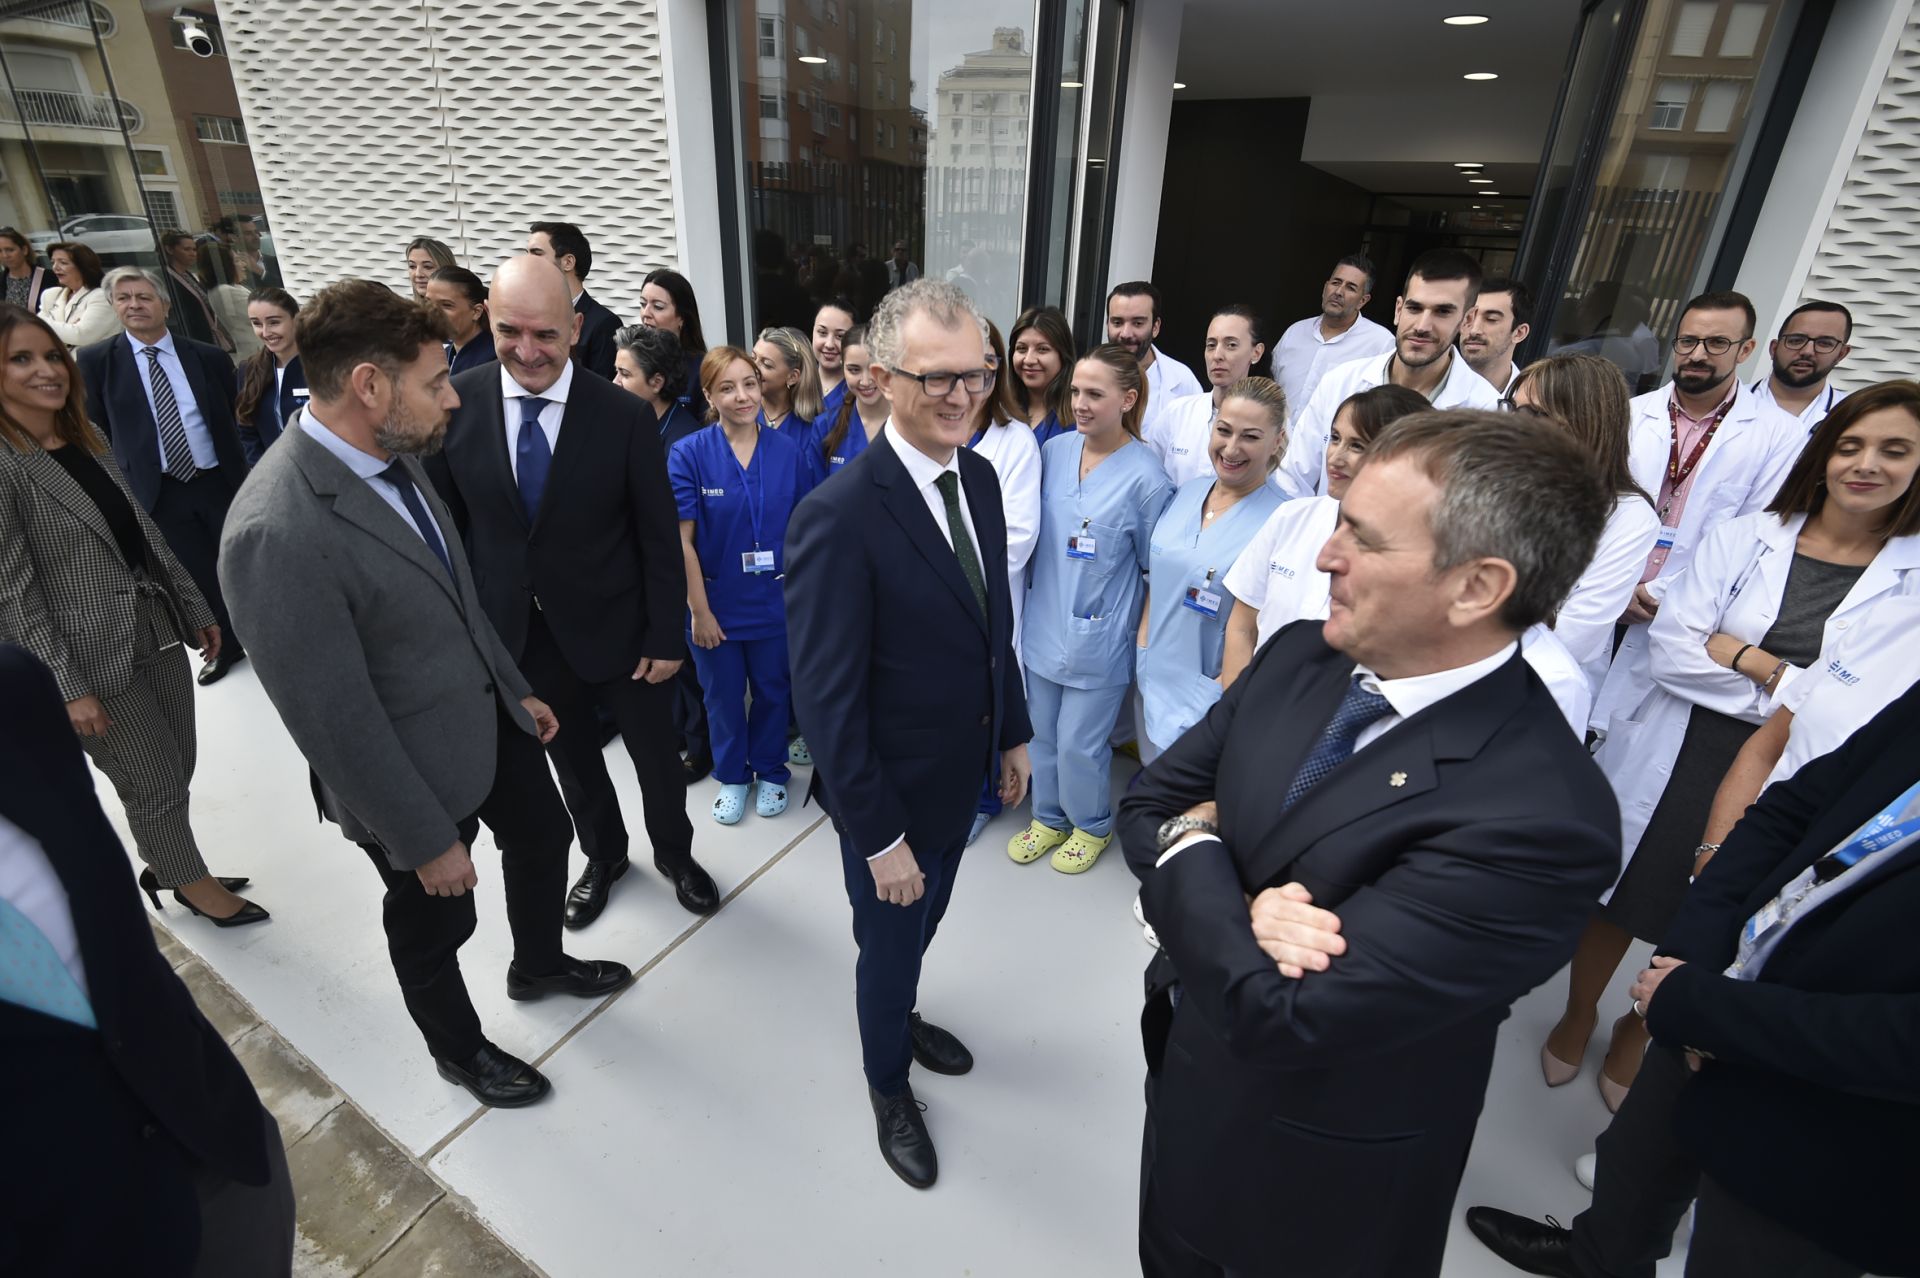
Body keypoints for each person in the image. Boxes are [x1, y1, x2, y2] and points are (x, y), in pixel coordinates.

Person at [1122, 409, 1619, 1278]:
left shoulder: (1543, 821)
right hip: (1187, 1089)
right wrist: (1241, 910)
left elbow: (1283, 1014)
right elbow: (1147, 801)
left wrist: (1198, 853)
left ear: (1476, 587)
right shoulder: (1298, 660)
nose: (1323, 556)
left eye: (1361, 535)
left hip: (1312, 1190)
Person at [221, 279, 632, 1107]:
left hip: (487, 717)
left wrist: (515, 691)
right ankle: (459, 1051)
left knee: (547, 834)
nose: (455, 396)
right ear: (370, 386)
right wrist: (421, 838)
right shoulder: (277, 529)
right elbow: (330, 716)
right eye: (437, 381)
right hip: (404, 772)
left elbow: (456, 596)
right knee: (435, 920)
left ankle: (540, 963)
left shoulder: (398, 456)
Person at [1466, 673, 1920, 1278]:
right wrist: (1695, 956)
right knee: (1635, 1168)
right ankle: (1596, 1258)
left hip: (1836, 1112)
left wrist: (1714, 1013)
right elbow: (1792, 807)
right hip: (1715, 988)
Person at [1549, 381, 1920, 1109]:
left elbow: (1867, 705)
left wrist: (1743, 654)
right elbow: (1674, 651)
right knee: (1622, 895)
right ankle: (1577, 1011)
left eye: (1894, 450)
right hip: (1682, 743)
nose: (1865, 464)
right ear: (1823, 454)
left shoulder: (1911, 580)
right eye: (1849, 445)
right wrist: (1786, 678)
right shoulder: (1745, 536)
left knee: (1705, 915)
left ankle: (1637, 1029)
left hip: (1797, 773)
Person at [784, 278, 1032, 1190]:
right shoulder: (837, 517)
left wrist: (1011, 733)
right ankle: (888, 1083)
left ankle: (901, 1015)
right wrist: (878, 834)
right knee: (888, 946)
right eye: (939, 379)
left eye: (977, 372)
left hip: (962, 773)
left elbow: (989, 619)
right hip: (888, 799)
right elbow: (828, 702)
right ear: (882, 378)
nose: (964, 394)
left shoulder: (978, 474)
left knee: (924, 928)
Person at [425, 254, 716, 930]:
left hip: (624, 634)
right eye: (509, 331)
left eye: (545, 334)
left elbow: (656, 536)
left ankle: (676, 854)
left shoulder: (621, 415)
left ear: (576, 326)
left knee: (657, 765)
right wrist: (481, 648)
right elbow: (453, 539)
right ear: (486, 323)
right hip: (521, 641)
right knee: (575, 765)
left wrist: (665, 637)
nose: (526, 351)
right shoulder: (453, 405)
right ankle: (606, 856)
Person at [0, 644, 292, 1277]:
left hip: (215, 1144)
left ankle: (173, 871)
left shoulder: (12, 693)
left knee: (164, 774)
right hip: (61, 1245)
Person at [0, 304, 257, 924]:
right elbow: (12, 593)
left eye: (53, 355)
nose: (47, 370)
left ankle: (169, 861)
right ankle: (191, 886)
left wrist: (192, 603)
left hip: (152, 626)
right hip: (85, 657)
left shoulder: (84, 436)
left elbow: (142, 529)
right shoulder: (6, 464)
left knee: (178, 761)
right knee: (154, 780)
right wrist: (68, 687)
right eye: (21, 359)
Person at [1220, 386, 1594, 735]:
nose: (1328, 560)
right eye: (1334, 438)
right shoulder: (1302, 632)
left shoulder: (1551, 682)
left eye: (1359, 445)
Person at [1593, 290, 1806, 743]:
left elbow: (1754, 533)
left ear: (1746, 350)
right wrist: (1615, 585)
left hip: (1683, 613)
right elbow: (1596, 506)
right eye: (1687, 342)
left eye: (1716, 344)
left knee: (1631, 745)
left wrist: (1655, 591)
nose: (1696, 355)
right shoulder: (1630, 414)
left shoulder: (1780, 435)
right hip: (1603, 595)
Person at [1010, 344, 1174, 874]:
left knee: (1082, 743)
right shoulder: (1053, 454)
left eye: (1094, 394)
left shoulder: (1149, 480)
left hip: (1100, 638)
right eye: (1076, 391)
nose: (1080, 403)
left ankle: (1091, 824)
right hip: (1043, 623)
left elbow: (1155, 570)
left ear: (1128, 399)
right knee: (1041, 733)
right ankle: (1048, 817)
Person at [76, 268, 249, 686]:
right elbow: (95, 427)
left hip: (218, 480)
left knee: (243, 560)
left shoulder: (206, 356)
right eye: (123, 298)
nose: (134, 304)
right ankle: (225, 645)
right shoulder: (97, 360)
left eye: (143, 296)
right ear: (114, 307)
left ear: (165, 306)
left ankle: (267, 632)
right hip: (160, 489)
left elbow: (234, 417)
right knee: (195, 571)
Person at [670, 348, 815, 823]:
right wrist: (699, 611)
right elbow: (683, 542)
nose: (742, 396)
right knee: (723, 698)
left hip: (775, 602)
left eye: (749, 383)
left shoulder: (789, 452)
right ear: (709, 395)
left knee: (774, 691)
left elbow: (805, 531)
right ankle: (733, 776)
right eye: (727, 387)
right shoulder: (690, 453)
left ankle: (771, 771)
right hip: (717, 605)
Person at [1222, 385, 1429, 686]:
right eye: (1335, 438)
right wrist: (1236, 709)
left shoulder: (1419, 556)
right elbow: (1242, 626)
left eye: (1357, 445)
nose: (1336, 457)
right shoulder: (1290, 518)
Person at [1134, 376, 1285, 763]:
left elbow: (1273, 626)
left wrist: (1225, 694)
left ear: (1278, 442)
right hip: (1154, 680)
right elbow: (1160, 576)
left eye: (1250, 436)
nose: (1232, 448)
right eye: (1224, 430)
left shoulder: (1284, 519)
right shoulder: (1187, 493)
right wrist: (1144, 647)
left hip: (1212, 698)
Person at [1274, 248, 1502, 498]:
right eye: (1414, 308)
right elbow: (1292, 484)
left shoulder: (1487, 413)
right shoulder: (1340, 382)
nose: (1422, 326)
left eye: (1442, 312)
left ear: (1467, 321)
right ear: (1398, 309)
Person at [1508, 354, 1662, 692]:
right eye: (1515, 409)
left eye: (1536, 414)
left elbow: (1575, 636)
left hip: (1533, 691)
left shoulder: (1629, 516)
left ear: (1585, 422)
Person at [612, 324, 711, 783]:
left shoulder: (683, 439)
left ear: (656, 383)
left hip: (676, 568)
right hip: (636, 566)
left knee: (687, 665)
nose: (614, 383)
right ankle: (675, 733)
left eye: (624, 374)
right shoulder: (627, 422)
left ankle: (699, 745)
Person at [962, 319, 1043, 845]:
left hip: (987, 597)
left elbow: (1018, 535)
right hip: (929, 603)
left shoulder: (1015, 442)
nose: (976, 375)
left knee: (985, 697)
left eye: (988, 362)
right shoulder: (926, 429)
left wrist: (947, 566)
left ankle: (983, 798)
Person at [1145, 305, 1269, 489]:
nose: (1217, 355)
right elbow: (1148, 476)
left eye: (1231, 345)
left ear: (1256, 352)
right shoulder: (1178, 413)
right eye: (1211, 345)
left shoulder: (1272, 421)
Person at [1270, 254, 1396, 412]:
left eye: (1350, 287)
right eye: (1336, 282)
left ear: (1363, 301)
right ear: (1325, 288)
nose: (1338, 292)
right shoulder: (1295, 332)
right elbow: (1268, 387)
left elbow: (1387, 406)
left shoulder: (1381, 343)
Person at [1107, 280, 1203, 445]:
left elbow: (1195, 446)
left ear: (1155, 327)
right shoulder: (1086, 374)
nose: (1126, 333)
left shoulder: (1183, 381)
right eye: (1117, 322)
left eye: (1137, 323)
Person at [526, 221, 621, 379]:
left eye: (536, 253)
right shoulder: (529, 315)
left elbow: (604, 393)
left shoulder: (604, 324)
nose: (527, 261)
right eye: (527, 253)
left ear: (568, 262)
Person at [1750, 299, 1852, 431]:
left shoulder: (1854, 414)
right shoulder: (1726, 404)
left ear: (1841, 354)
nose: (1807, 352)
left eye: (1824, 343)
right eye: (1796, 340)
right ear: (1774, 349)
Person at [234, 287, 305, 464]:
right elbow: (247, 430)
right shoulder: (248, 369)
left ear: (296, 320)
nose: (265, 332)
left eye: (274, 322)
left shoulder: (322, 366)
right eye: (257, 323)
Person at [810, 324, 889, 477]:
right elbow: (816, 496)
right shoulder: (825, 426)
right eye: (854, 370)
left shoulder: (911, 424)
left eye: (874, 369)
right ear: (842, 366)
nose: (865, 381)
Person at [641, 267, 710, 417]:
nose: (646, 313)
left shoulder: (703, 368)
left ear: (681, 317)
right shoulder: (632, 359)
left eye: (658, 307)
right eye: (642, 304)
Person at [1008, 305, 1075, 447]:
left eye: (1042, 349)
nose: (1029, 360)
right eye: (1021, 349)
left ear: (1063, 356)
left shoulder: (1079, 418)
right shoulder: (1000, 411)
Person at [752, 325, 824, 455]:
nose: (753, 368)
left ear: (792, 377)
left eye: (766, 364)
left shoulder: (812, 430)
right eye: (753, 358)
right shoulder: (741, 413)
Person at [160, 231, 234, 354]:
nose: (192, 254)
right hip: (190, 337)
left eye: (194, 250)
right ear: (170, 250)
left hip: (206, 335)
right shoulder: (166, 278)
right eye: (187, 249)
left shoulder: (187, 274)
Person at [1460, 276, 1533, 399]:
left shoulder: (1529, 403)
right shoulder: (1429, 383)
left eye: (1491, 319)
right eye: (1468, 317)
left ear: (1519, 333)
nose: (1474, 330)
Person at [38, 243, 118, 348]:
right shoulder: (51, 294)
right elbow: (37, 334)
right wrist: (69, 330)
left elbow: (81, 336)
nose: (55, 267)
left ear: (83, 266)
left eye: (63, 262)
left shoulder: (102, 296)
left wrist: (40, 322)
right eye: (53, 262)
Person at [425, 266, 495, 374]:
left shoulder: (493, 362)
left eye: (446, 305)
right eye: (428, 302)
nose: (432, 312)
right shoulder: (444, 354)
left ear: (476, 312)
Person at [198, 243, 260, 361]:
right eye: (237, 261)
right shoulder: (226, 291)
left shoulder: (223, 289)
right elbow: (262, 314)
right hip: (256, 351)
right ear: (225, 266)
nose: (243, 265)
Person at [810, 298, 856, 424]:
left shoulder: (859, 391)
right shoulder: (795, 385)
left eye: (840, 336)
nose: (829, 344)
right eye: (822, 333)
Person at [0, 227, 50, 314]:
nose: (5, 255)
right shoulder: (1, 281)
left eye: (10, 250)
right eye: (0, 251)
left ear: (24, 250)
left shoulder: (48, 277)